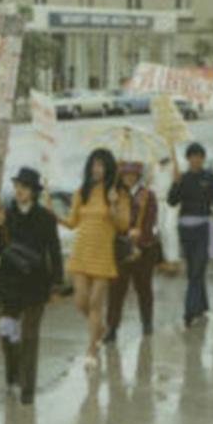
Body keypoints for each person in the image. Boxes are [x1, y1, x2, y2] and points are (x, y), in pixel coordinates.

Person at [0, 167, 63, 405]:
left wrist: (56, 283)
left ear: (33, 192)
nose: (19, 191)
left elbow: (54, 251)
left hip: (35, 284)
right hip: (9, 283)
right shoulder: (6, 216)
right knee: (6, 333)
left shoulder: (45, 217)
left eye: (24, 187)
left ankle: (27, 388)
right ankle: (12, 373)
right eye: (17, 186)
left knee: (30, 336)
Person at [57, 148, 131, 369]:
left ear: (108, 167)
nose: (96, 168)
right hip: (81, 250)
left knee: (95, 303)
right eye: (93, 164)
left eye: (100, 164)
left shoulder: (119, 193)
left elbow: (123, 225)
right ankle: (98, 329)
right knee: (80, 301)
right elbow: (72, 222)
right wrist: (53, 214)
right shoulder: (82, 191)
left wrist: (113, 207)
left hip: (102, 253)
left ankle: (91, 349)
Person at [167, 142, 213, 328]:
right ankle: (203, 305)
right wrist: (174, 184)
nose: (195, 160)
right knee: (194, 269)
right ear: (188, 158)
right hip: (185, 230)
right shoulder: (182, 178)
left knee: (196, 271)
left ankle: (189, 312)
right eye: (192, 156)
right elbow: (171, 201)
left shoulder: (209, 178)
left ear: (202, 158)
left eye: (199, 156)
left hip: (203, 229)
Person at [103, 161, 159, 342]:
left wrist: (140, 236)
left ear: (138, 176)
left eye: (132, 175)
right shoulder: (115, 195)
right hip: (120, 248)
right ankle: (112, 327)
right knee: (116, 290)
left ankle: (147, 322)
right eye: (125, 174)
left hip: (144, 250)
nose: (129, 177)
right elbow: (109, 222)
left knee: (143, 288)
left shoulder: (148, 195)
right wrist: (111, 205)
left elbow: (150, 220)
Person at [151, 155, 181, 273]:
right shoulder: (153, 165)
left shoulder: (174, 164)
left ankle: (173, 260)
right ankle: (165, 259)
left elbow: (178, 179)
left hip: (171, 201)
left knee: (170, 227)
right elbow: (148, 182)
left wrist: (174, 158)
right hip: (157, 201)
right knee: (160, 229)